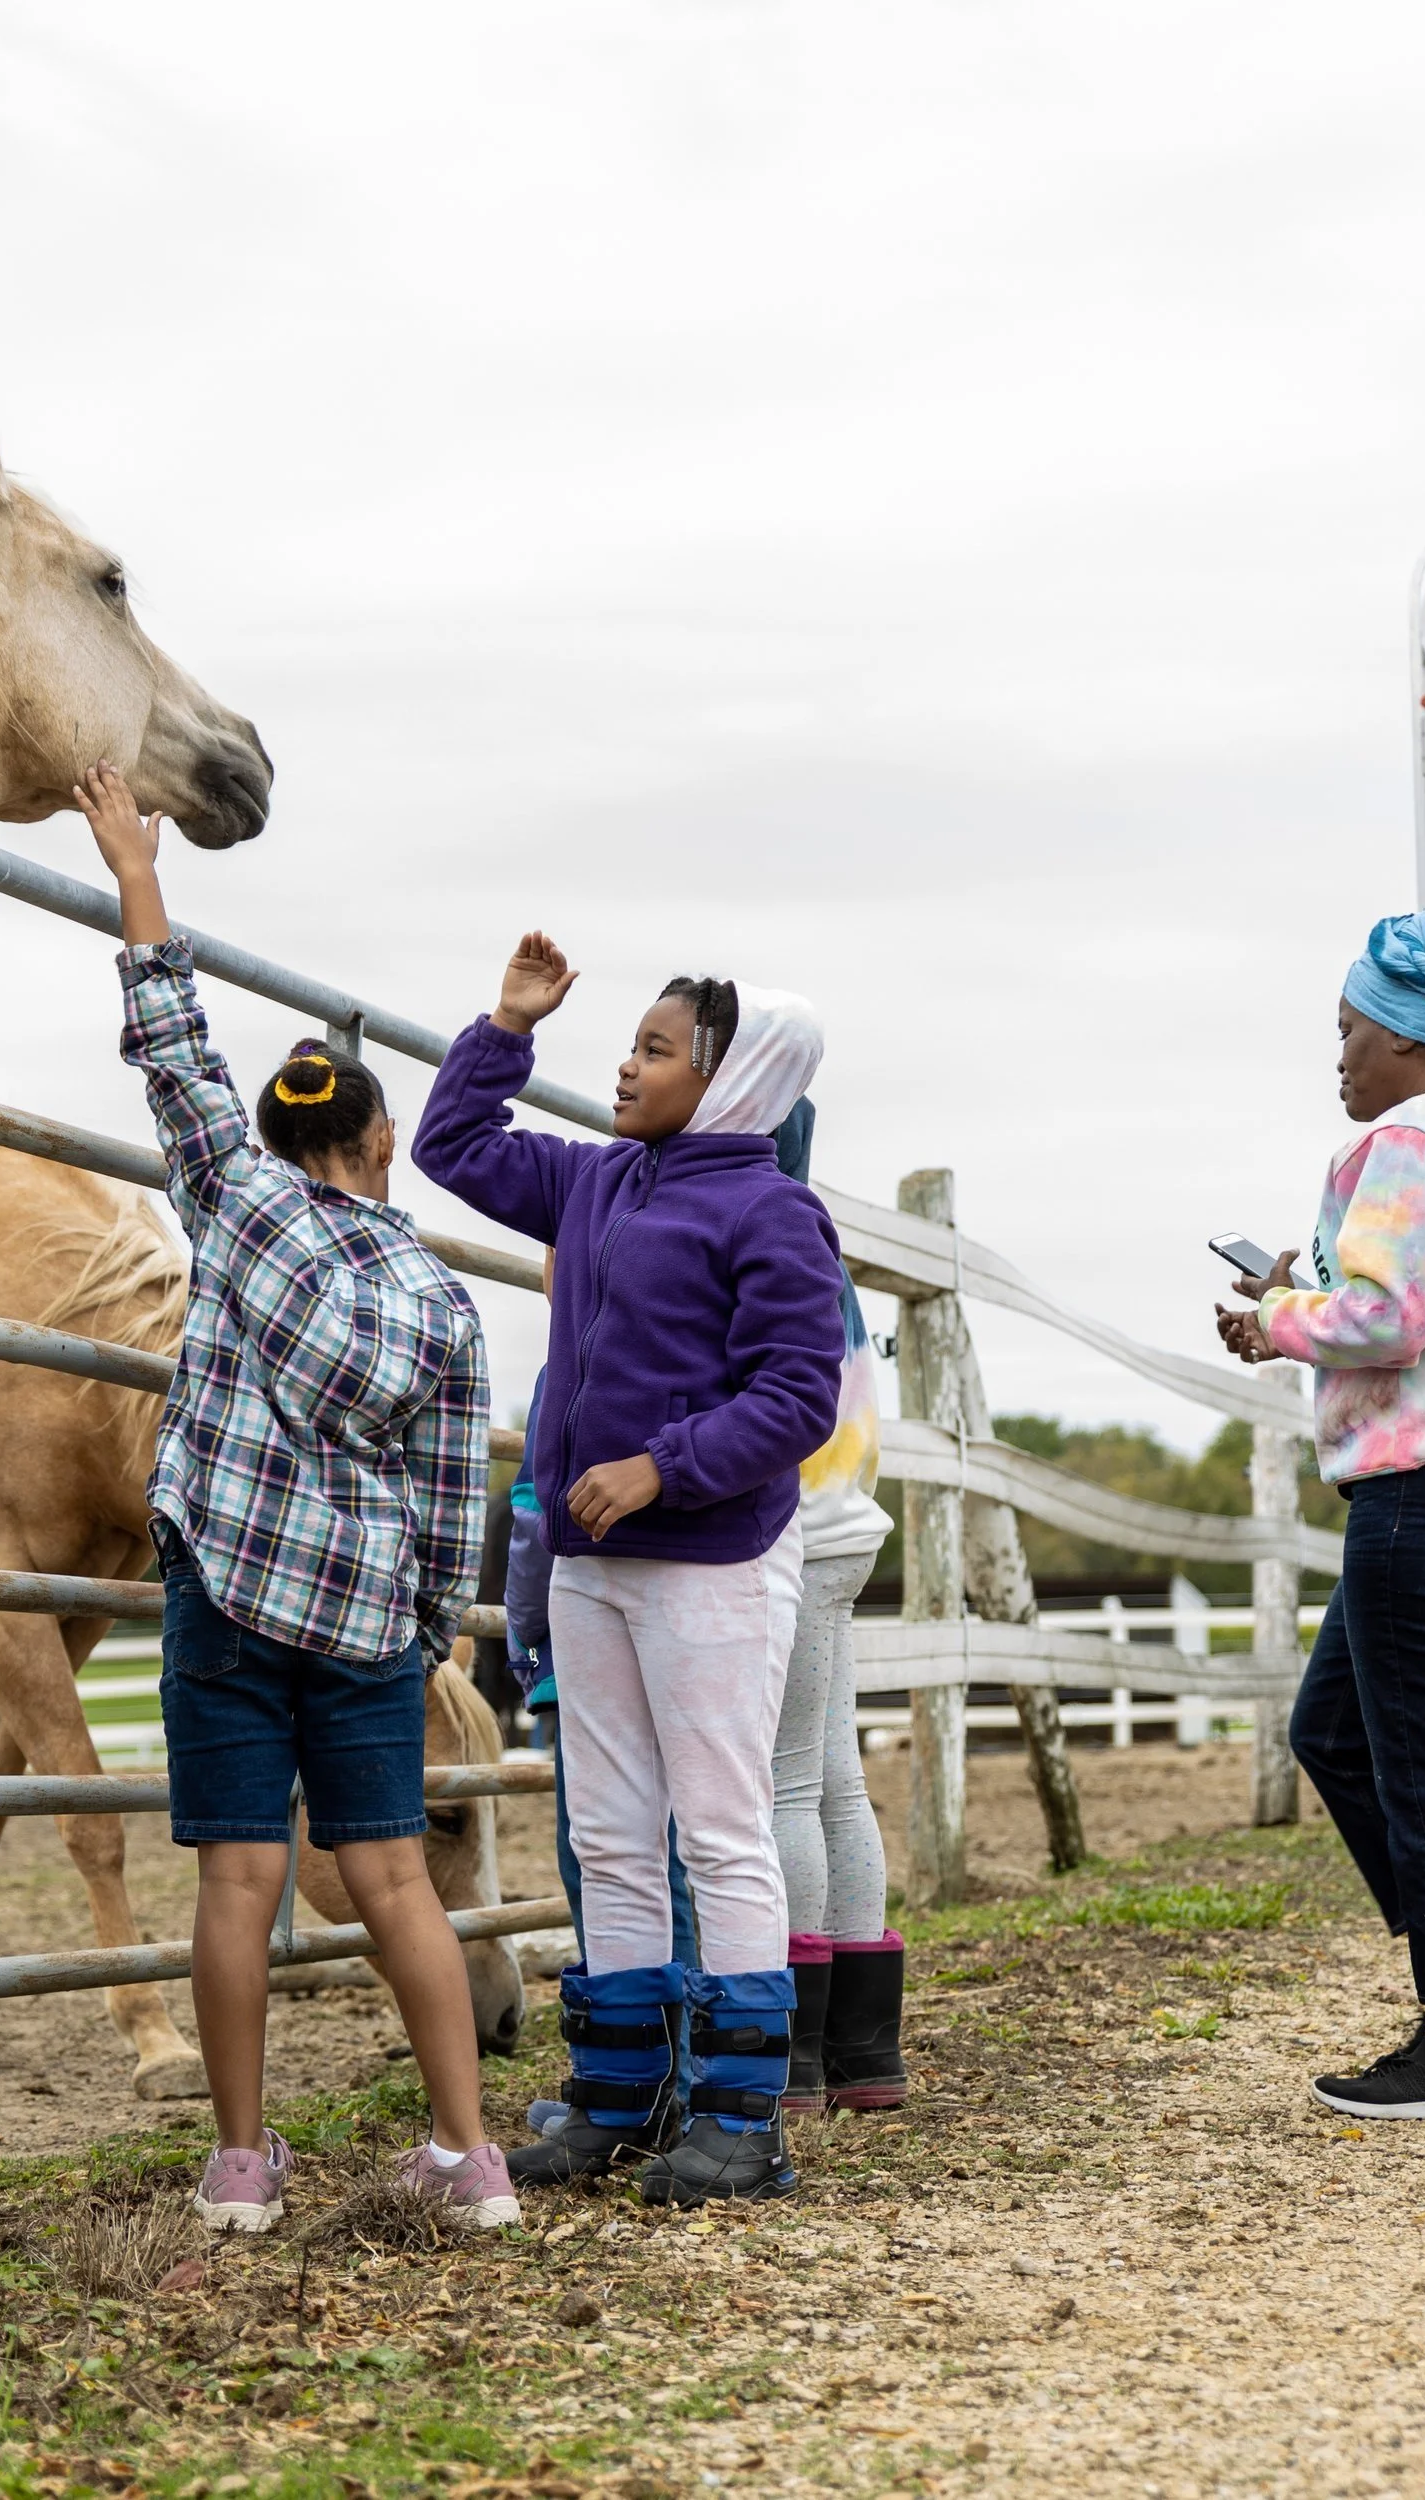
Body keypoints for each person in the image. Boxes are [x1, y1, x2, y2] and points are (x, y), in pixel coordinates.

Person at [77, 762, 513, 2230]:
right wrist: (422, 1620)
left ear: (264, 1144)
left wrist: (143, 882)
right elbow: (455, 1494)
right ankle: (468, 2160)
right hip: (370, 1622)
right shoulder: (440, 1300)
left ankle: (245, 2168)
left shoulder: (235, 1206)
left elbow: (171, 1051)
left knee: (239, 1883)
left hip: (227, 1600)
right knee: (393, 1877)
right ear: (381, 1141)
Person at [416, 931, 844, 2204]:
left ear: (729, 1076)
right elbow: (455, 1148)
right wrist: (505, 1027)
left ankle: (740, 2116)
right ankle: (617, 2094)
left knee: (718, 1830)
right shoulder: (598, 1183)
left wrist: (663, 1465)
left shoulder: (774, 1211)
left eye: (655, 1049)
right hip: (593, 1566)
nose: (626, 1063)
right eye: (633, 1041)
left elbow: (797, 1397)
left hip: (709, 1562)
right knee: (606, 1834)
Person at [1218, 907, 1425, 2121]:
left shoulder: (1410, 1135)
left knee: (1416, 1766)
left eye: (1350, 1029)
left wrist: (1273, 1325)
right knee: (1340, 1735)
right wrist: (1306, 1292)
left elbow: (1394, 1323)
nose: (1340, 1056)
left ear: (1406, 1034)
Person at [766, 1103, 907, 2114]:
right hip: (849, 1524)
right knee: (836, 1783)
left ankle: (797, 2055)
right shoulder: (825, 1249)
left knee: (784, 1789)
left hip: (800, 1533)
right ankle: (865, 2055)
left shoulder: (762, 1245)